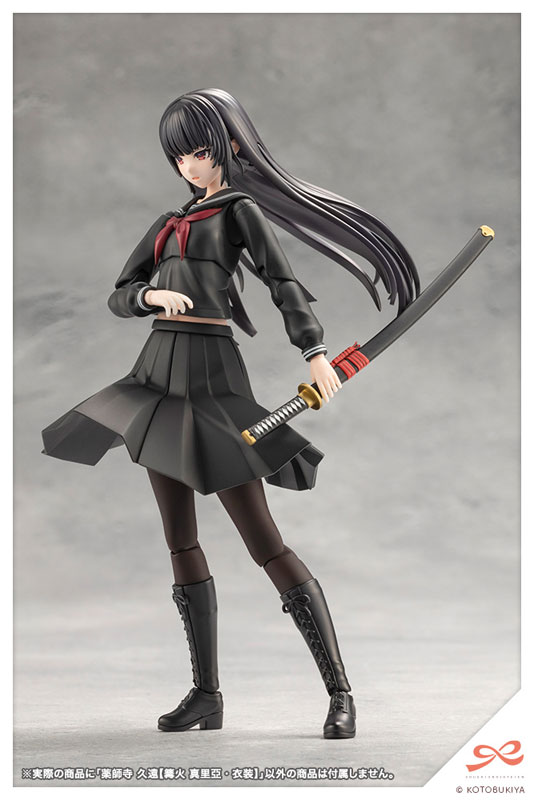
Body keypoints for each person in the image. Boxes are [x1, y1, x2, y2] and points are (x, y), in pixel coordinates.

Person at [42, 88, 419, 739]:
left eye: (197, 151)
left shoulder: (239, 211)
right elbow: (119, 292)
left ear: (227, 146)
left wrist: (315, 353)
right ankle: (206, 695)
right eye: (178, 156)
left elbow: (282, 282)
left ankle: (340, 692)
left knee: (264, 541)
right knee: (180, 540)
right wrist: (148, 297)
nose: (188, 165)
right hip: (157, 380)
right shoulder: (168, 222)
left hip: (213, 380)